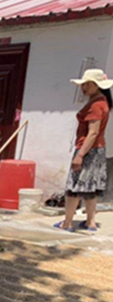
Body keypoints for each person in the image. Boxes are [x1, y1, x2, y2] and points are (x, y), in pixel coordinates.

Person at [55, 69, 112, 233]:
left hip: (88, 149)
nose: (84, 87)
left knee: (74, 187)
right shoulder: (102, 102)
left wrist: (80, 155)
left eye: (87, 84)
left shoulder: (95, 105)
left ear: (97, 85)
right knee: (91, 187)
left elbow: (92, 132)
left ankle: (67, 222)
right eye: (84, 84)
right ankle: (90, 222)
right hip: (98, 149)